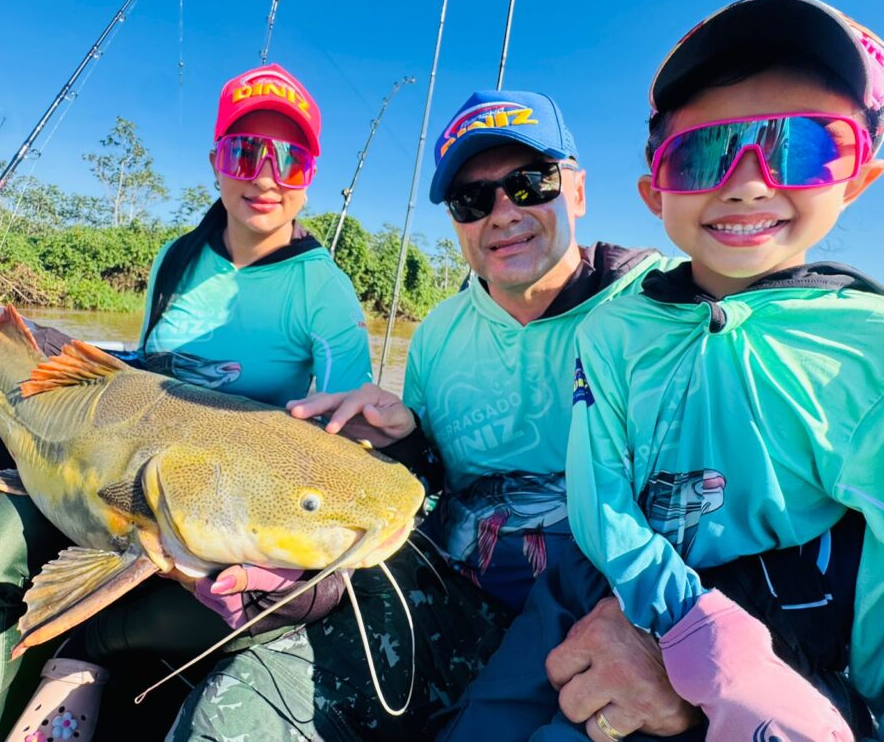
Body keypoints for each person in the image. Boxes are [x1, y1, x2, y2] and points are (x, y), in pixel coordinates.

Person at [166, 90, 687, 742]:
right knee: (236, 715)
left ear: (576, 191)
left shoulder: (670, 309)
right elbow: (432, 484)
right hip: (455, 606)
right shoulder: (438, 335)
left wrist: (677, 642)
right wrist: (404, 440)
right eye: (473, 200)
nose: (503, 213)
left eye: (530, 184)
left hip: (624, 621)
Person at [443, 0, 884, 741]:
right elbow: (596, 494)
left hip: (781, 613)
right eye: (704, 154)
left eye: (800, 147)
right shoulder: (617, 328)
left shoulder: (866, 349)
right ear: (655, 191)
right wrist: (682, 614)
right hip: (599, 579)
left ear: (857, 176)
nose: (746, 182)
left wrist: (847, 705)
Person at [0, 62, 373, 742]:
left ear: (310, 172)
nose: (265, 175)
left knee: (289, 603)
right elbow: (139, 380)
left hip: (222, 512)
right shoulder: (176, 259)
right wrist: (29, 382)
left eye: (289, 157)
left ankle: (81, 655)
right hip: (97, 473)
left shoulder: (321, 290)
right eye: (245, 151)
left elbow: (339, 439)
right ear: (217, 159)